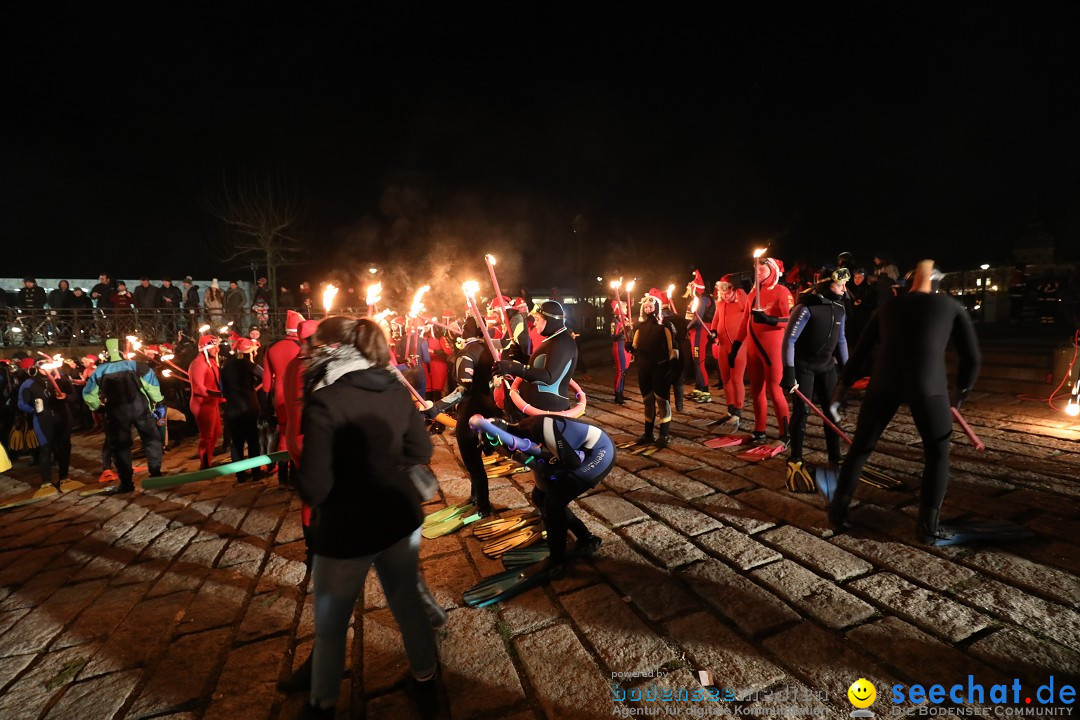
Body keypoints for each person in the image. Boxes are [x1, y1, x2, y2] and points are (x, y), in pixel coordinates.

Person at [297, 316, 440, 719]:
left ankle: (322, 705)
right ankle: (426, 681)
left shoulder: (325, 400)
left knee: (330, 621)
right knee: (406, 601)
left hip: (348, 529)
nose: (308, 352)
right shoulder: (393, 384)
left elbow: (315, 486)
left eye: (315, 345)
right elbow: (421, 450)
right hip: (399, 516)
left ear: (333, 350)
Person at [828, 261, 980, 545]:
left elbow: (859, 353)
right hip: (929, 387)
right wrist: (959, 396)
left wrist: (840, 391)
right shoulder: (951, 307)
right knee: (937, 455)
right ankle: (928, 527)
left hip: (883, 384)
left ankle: (838, 510)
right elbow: (970, 358)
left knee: (861, 448)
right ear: (938, 283)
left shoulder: (886, 308)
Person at [478, 413, 611, 577]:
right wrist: (522, 457)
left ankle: (557, 560)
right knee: (539, 498)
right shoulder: (520, 434)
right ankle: (586, 538)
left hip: (599, 452)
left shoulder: (540, 428)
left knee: (553, 503)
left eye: (500, 447)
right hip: (576, 453)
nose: (501, 452)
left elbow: (569, 463)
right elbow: (543, 463)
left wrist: (521, 456)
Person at [781, 270, 850, 491]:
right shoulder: (806, 307)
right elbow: (789, 341)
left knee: (832, 411)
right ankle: (796, 458)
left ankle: (835, 456)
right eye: (840, 285)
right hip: (805, 367)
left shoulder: (839, 308)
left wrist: (847, 370)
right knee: (802, 412)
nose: (844, 289)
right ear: (827, 284)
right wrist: (789, 372)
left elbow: (841, 341)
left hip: (827, 366)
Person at [83, 338, 164, 494]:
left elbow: (88, 394)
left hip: (116, 413)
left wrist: (97, 407)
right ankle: (155, 472)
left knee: (120, 447)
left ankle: (126, 482)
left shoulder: (100, 371)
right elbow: (152, 385)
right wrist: (158, 400)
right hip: (140, 408)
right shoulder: (136, 366)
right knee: (151, 439)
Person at [730, 256, 793, 448]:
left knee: (775, 390)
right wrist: (736, 345)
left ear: (772, 271)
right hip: (753, 349)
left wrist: (771, 320)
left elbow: (790, 320)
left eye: (762, 269)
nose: (757, 272)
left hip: (772, 349)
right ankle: (759, 430)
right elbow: (744, 322)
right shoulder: (752, 294)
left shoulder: (782, 291)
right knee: (756, 390)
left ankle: (785, 433)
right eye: (755, 269)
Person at [495, 300, 578, 414]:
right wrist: (522, 357)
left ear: (549, 320)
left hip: (549, 413)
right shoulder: (554, 339)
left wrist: (511, 367)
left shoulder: (562, 342)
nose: (534, 323)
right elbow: (544, 365)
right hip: (539, 410)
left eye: (538, 319)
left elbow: (548, 377)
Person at [630, 290, 678, 447]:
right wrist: (629, 347)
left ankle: (664, 435)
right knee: (647, 401)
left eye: (651, 304)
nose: (648, 306)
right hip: (644, 368)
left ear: (657, 307)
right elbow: (635, 346)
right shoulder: (640, 326)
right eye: (646, 304)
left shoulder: (665, 325)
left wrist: (673, 365)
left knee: (662, 401)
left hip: (660, 368)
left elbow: (673, 346)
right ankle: (648, 434)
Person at [263, 310, 305, 485]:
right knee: (298, 436)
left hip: (279, 397)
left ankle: (282, 476)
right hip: (297, 396)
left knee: (283, 436)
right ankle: (296, 477)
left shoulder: (272, 348)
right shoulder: (302, 348)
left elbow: (266, 384)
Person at [17, 360, 74, 490]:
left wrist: (65, 396)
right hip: (43, 419)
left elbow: (74, 396)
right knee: (45, 449)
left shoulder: (61, 379)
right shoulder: (29, 383)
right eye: (42, 365)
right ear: (37, 367)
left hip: (63, 418)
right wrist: (33, 409)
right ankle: (46, 481)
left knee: (64, 448)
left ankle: (64, 477)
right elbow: (21, 403)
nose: (46, 368)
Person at [221, 337, 264, 483]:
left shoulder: (225, 367)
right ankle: (256, 472)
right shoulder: (250, 365)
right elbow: (265, 376)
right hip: (249, 407)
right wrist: (255, 389)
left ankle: (240, 474)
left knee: (237, 442)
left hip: (232, 408)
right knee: (252, 441)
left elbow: (222, 388)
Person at [709, 274, 748, 431]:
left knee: (736, 378)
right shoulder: (721, 304)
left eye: (728, 293)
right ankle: (730, 409)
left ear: (734, 290)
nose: (725, 296)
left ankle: (738, 412)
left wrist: (739, 290)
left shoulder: (741, 303)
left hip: (738, 346)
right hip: (723, 345)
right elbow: (716, 320)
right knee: (725, 378)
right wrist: (712, 331)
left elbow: (748, 307)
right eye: (722, 293)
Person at [188, 335, 224, 469]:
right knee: (207, 435)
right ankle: (204, 463)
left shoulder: (211, 362)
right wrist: (218, 394)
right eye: (214, 347)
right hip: (202, 404)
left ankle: (208, 459)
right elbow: (198, 388)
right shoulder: (198, 364)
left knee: (216, 432)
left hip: (212, 401)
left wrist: (220, 395)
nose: (217, 349)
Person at [684, 269, 715, 402]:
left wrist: (685, 328)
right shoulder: (699, 299)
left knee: (699, 360)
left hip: (701, 331)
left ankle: (705, 391)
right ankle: (698, 388)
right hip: (696, 331)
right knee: (695, 361)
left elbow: (698, 319)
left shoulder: (703, 299)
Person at [609, 294, 632, 404]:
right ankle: (617, 395)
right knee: (620, 371)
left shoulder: (626, 319)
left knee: (624, 372)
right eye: (624, 307)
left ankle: (621, 393)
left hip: (625, 346)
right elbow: (613, 336)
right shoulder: (615, 321)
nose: (626, 308)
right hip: (619, 346)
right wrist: (623, 331)